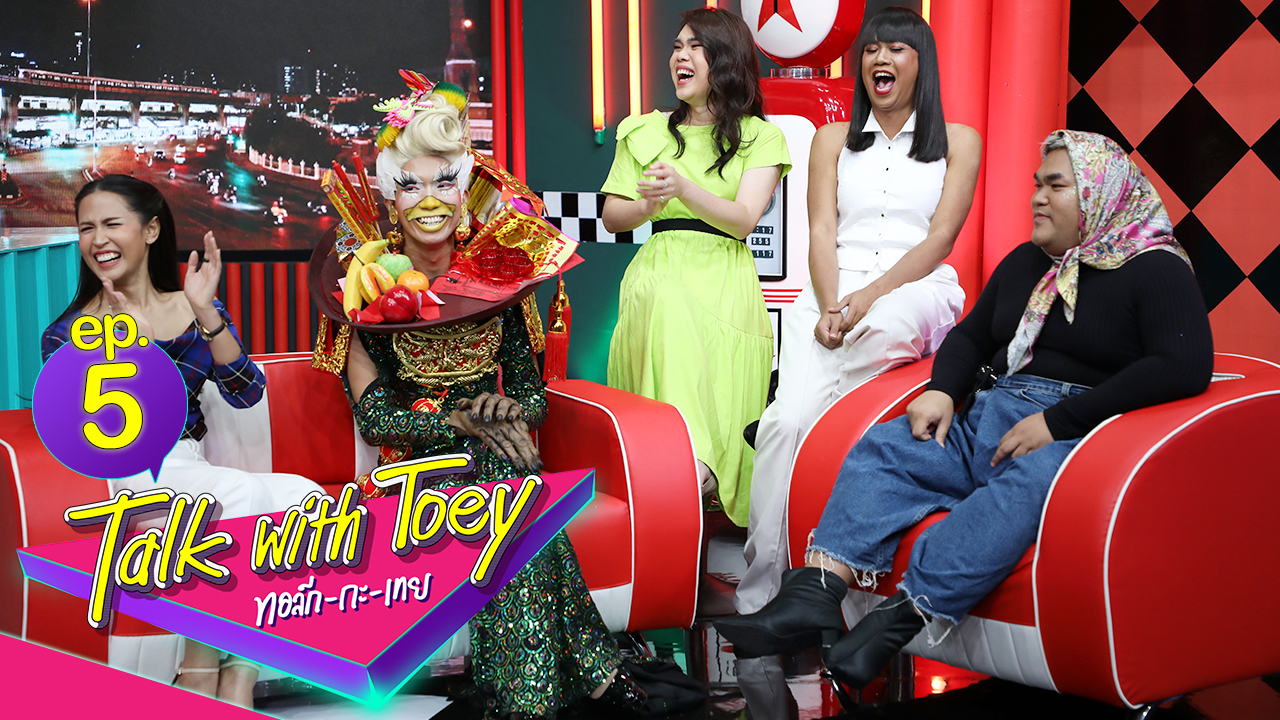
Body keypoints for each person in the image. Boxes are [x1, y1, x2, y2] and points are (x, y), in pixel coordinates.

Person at [716, 130, 1214, 687]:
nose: (1037, 198)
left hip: (1078, 431)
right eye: (1036, 185)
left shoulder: (1155, 268)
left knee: (1022, 489)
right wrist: (943, 390)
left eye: (1056, 187)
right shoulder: (1027, 262)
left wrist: (1057, 423)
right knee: (888, 448)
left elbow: (1182, 365)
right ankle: (815, 592)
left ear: (1101, 193)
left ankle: (898, 619)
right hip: (990, 412)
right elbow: (971, 337)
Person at [336, 78, 693, 719]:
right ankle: (594, 681)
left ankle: (526, 701)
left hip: (497, 461)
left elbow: (532, 398)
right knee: (515, 493)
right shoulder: (363, 288)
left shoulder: (498, 281)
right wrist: (460, 422)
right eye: (411, 185)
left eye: (444, 182)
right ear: (391, 197)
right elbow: (374, 417)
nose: (429, 200)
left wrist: (507, 412)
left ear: (464, 192)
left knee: (509, 486)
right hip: (409, 478)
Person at [41, 174, 325, 706]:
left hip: (187, 461)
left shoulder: (192, 309)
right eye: (86, 228)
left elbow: (245, 392)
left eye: (111, 224)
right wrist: (127, 349)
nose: (98, 240)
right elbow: (85, 436)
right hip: (124, 471)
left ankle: (239, 669)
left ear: (150, 231)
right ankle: (203, 669)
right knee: (241, 498)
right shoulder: (67, 333)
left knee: (304, 499)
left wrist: (205, 310)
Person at [735, 6, 982, 617]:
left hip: (916, 285)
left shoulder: (960, 141)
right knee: (784, 424)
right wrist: (828, 304)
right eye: (871, 49)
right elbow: (821, 230)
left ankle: (841, 589)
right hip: (831, 287)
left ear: (921, 63)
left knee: (879, 337)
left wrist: (864, 300)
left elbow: (940, 240)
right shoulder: (831, 139)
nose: (880, 59)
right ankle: (763, 595)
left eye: (896, 48)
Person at [602, 7, 790, 526]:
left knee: (719, 399)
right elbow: (613, 216)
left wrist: (684, 188)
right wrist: (648, 204)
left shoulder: (760, 137)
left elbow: (744, 219)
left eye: (694, 47)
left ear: (724, 60)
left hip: (726, 278)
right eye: (676, 46)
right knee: (668, 305)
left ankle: (695, 480)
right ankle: (687, 471)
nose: (679, 56)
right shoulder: (643, 131)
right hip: (661, 268)